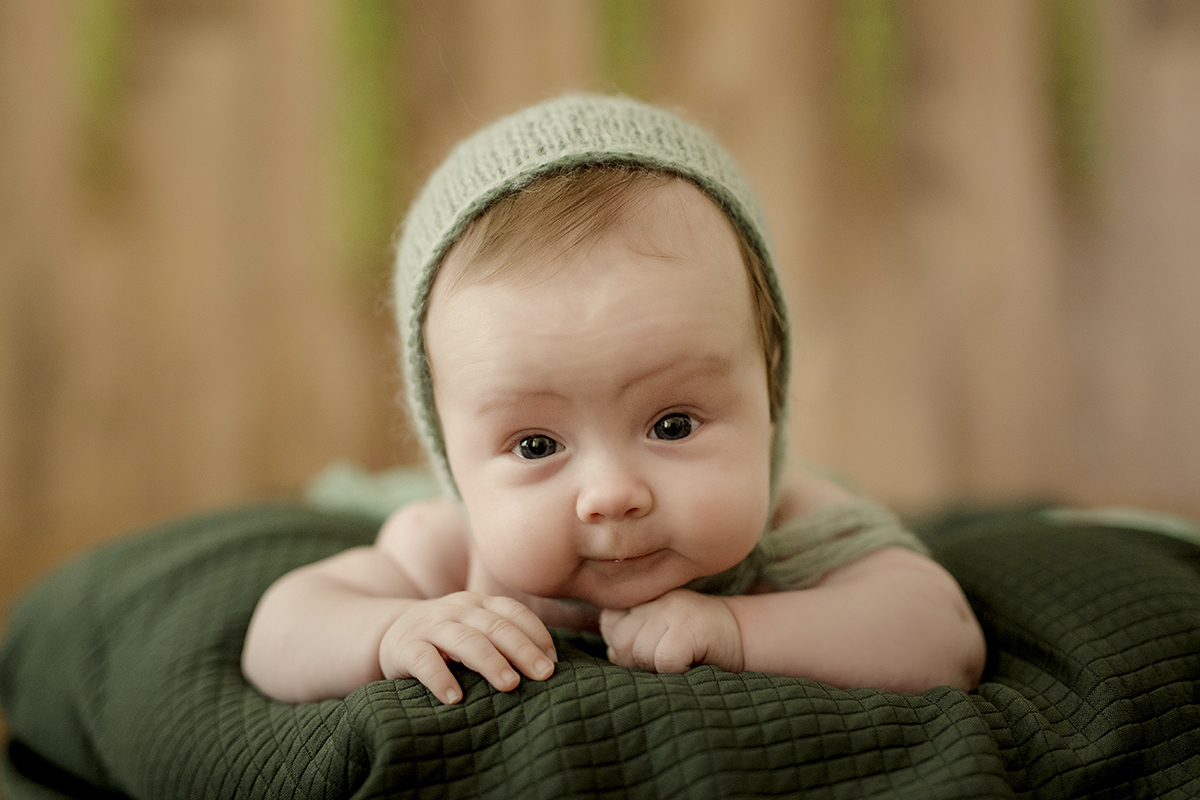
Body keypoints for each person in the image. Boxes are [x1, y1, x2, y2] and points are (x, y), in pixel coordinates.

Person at [241, 94, 986, 706]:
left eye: (672, 424)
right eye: (536, 445)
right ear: (450, 452)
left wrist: (734, 629)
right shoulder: (450, 548)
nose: (613, 495)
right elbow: (279, 634)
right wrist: (390, 632)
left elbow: (940, 636)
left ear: (770, 395)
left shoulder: (795, 528)